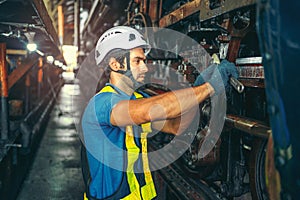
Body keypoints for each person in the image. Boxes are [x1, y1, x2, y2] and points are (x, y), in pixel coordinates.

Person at [81, 26, 238, 200]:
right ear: (115, 64)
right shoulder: (101, 104)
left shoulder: (137, 98)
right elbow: (149, 111)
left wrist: (198, 96)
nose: (145, 68)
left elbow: (175, 126)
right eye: (137, 61)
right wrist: (209, 87)